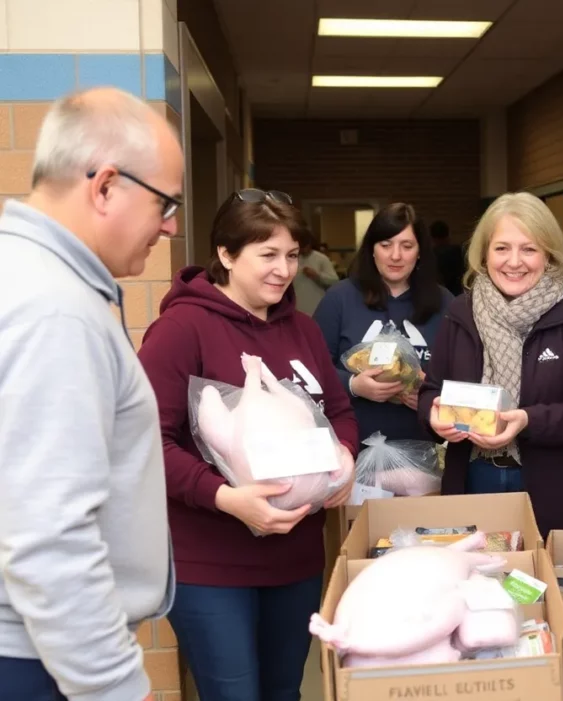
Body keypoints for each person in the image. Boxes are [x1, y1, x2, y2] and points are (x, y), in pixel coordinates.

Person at [136, 189, 359, 700]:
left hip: (297, 557)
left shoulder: (301, 329)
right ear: (226, 255)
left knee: (284, 692)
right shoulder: (180, 329)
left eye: (292, 255)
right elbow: (146, 443)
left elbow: (339, 412)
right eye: (268, 254)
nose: (284, 270)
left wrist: (342, 456)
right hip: (211, 561)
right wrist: (225, 498)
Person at [0, 87, 181, 700]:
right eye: (165, 202)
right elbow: (49, 535)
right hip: (38, 660)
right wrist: (115, 688)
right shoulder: (55, 309)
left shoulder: (30, 274)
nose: (172, 223)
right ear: (105, 186)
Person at [420, 192, 563, 536]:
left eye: (528, 249)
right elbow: (431, 390)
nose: (514, 262)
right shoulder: (460, 312)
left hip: (556, 489)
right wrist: (433, 416)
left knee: (546, 585)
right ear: (484, 253)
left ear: (549, 254)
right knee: (477, 583)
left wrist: (530, 420)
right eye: (502, 248)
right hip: (474, 478)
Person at [315, 202, 453, 442]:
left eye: (407, 246)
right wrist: (353, 385)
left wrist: (432, 393)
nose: (395, 256)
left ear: (420, 251)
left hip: (425, 452)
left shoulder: (445, 303)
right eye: (385, 245)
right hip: (351, 448)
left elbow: (467, 376)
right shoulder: (340, 298)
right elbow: (312, 368)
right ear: (372, 249)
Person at [293, 228, 339, 315]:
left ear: (310, 244)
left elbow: (334, 281)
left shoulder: (321, 259)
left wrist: (317, 276)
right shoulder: (294, 259)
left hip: (317, 305)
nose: (303, 249)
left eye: (305, 245)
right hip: (298, 306)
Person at [431, 219, 466, 296]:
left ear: (432, 238)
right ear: (448, 235)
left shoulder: (430, 255)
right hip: (458, 294)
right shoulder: (459, 251)